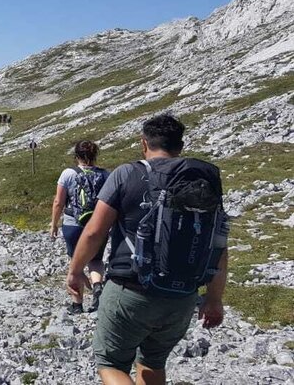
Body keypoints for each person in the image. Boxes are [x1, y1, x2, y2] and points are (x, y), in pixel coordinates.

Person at [66, 114, 229, 385]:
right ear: (180, 145)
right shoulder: (204, 179)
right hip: (182, 296)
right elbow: (218, 243)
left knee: (111, 363)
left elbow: (95, 232)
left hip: (130, 291)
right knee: (153, 362)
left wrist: (74, 271)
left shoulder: (127, 173)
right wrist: (214, 298)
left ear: (144, 143)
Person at [49, 140, 109, 314]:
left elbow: (59, 202)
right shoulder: (105, 175)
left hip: (72, 224)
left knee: (76, 264)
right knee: (96, 259)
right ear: (95, 155)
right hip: (98, 224)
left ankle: (77, 305)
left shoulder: (68, 174)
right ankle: (97, 286)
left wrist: (54, 224)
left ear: (76, 156)